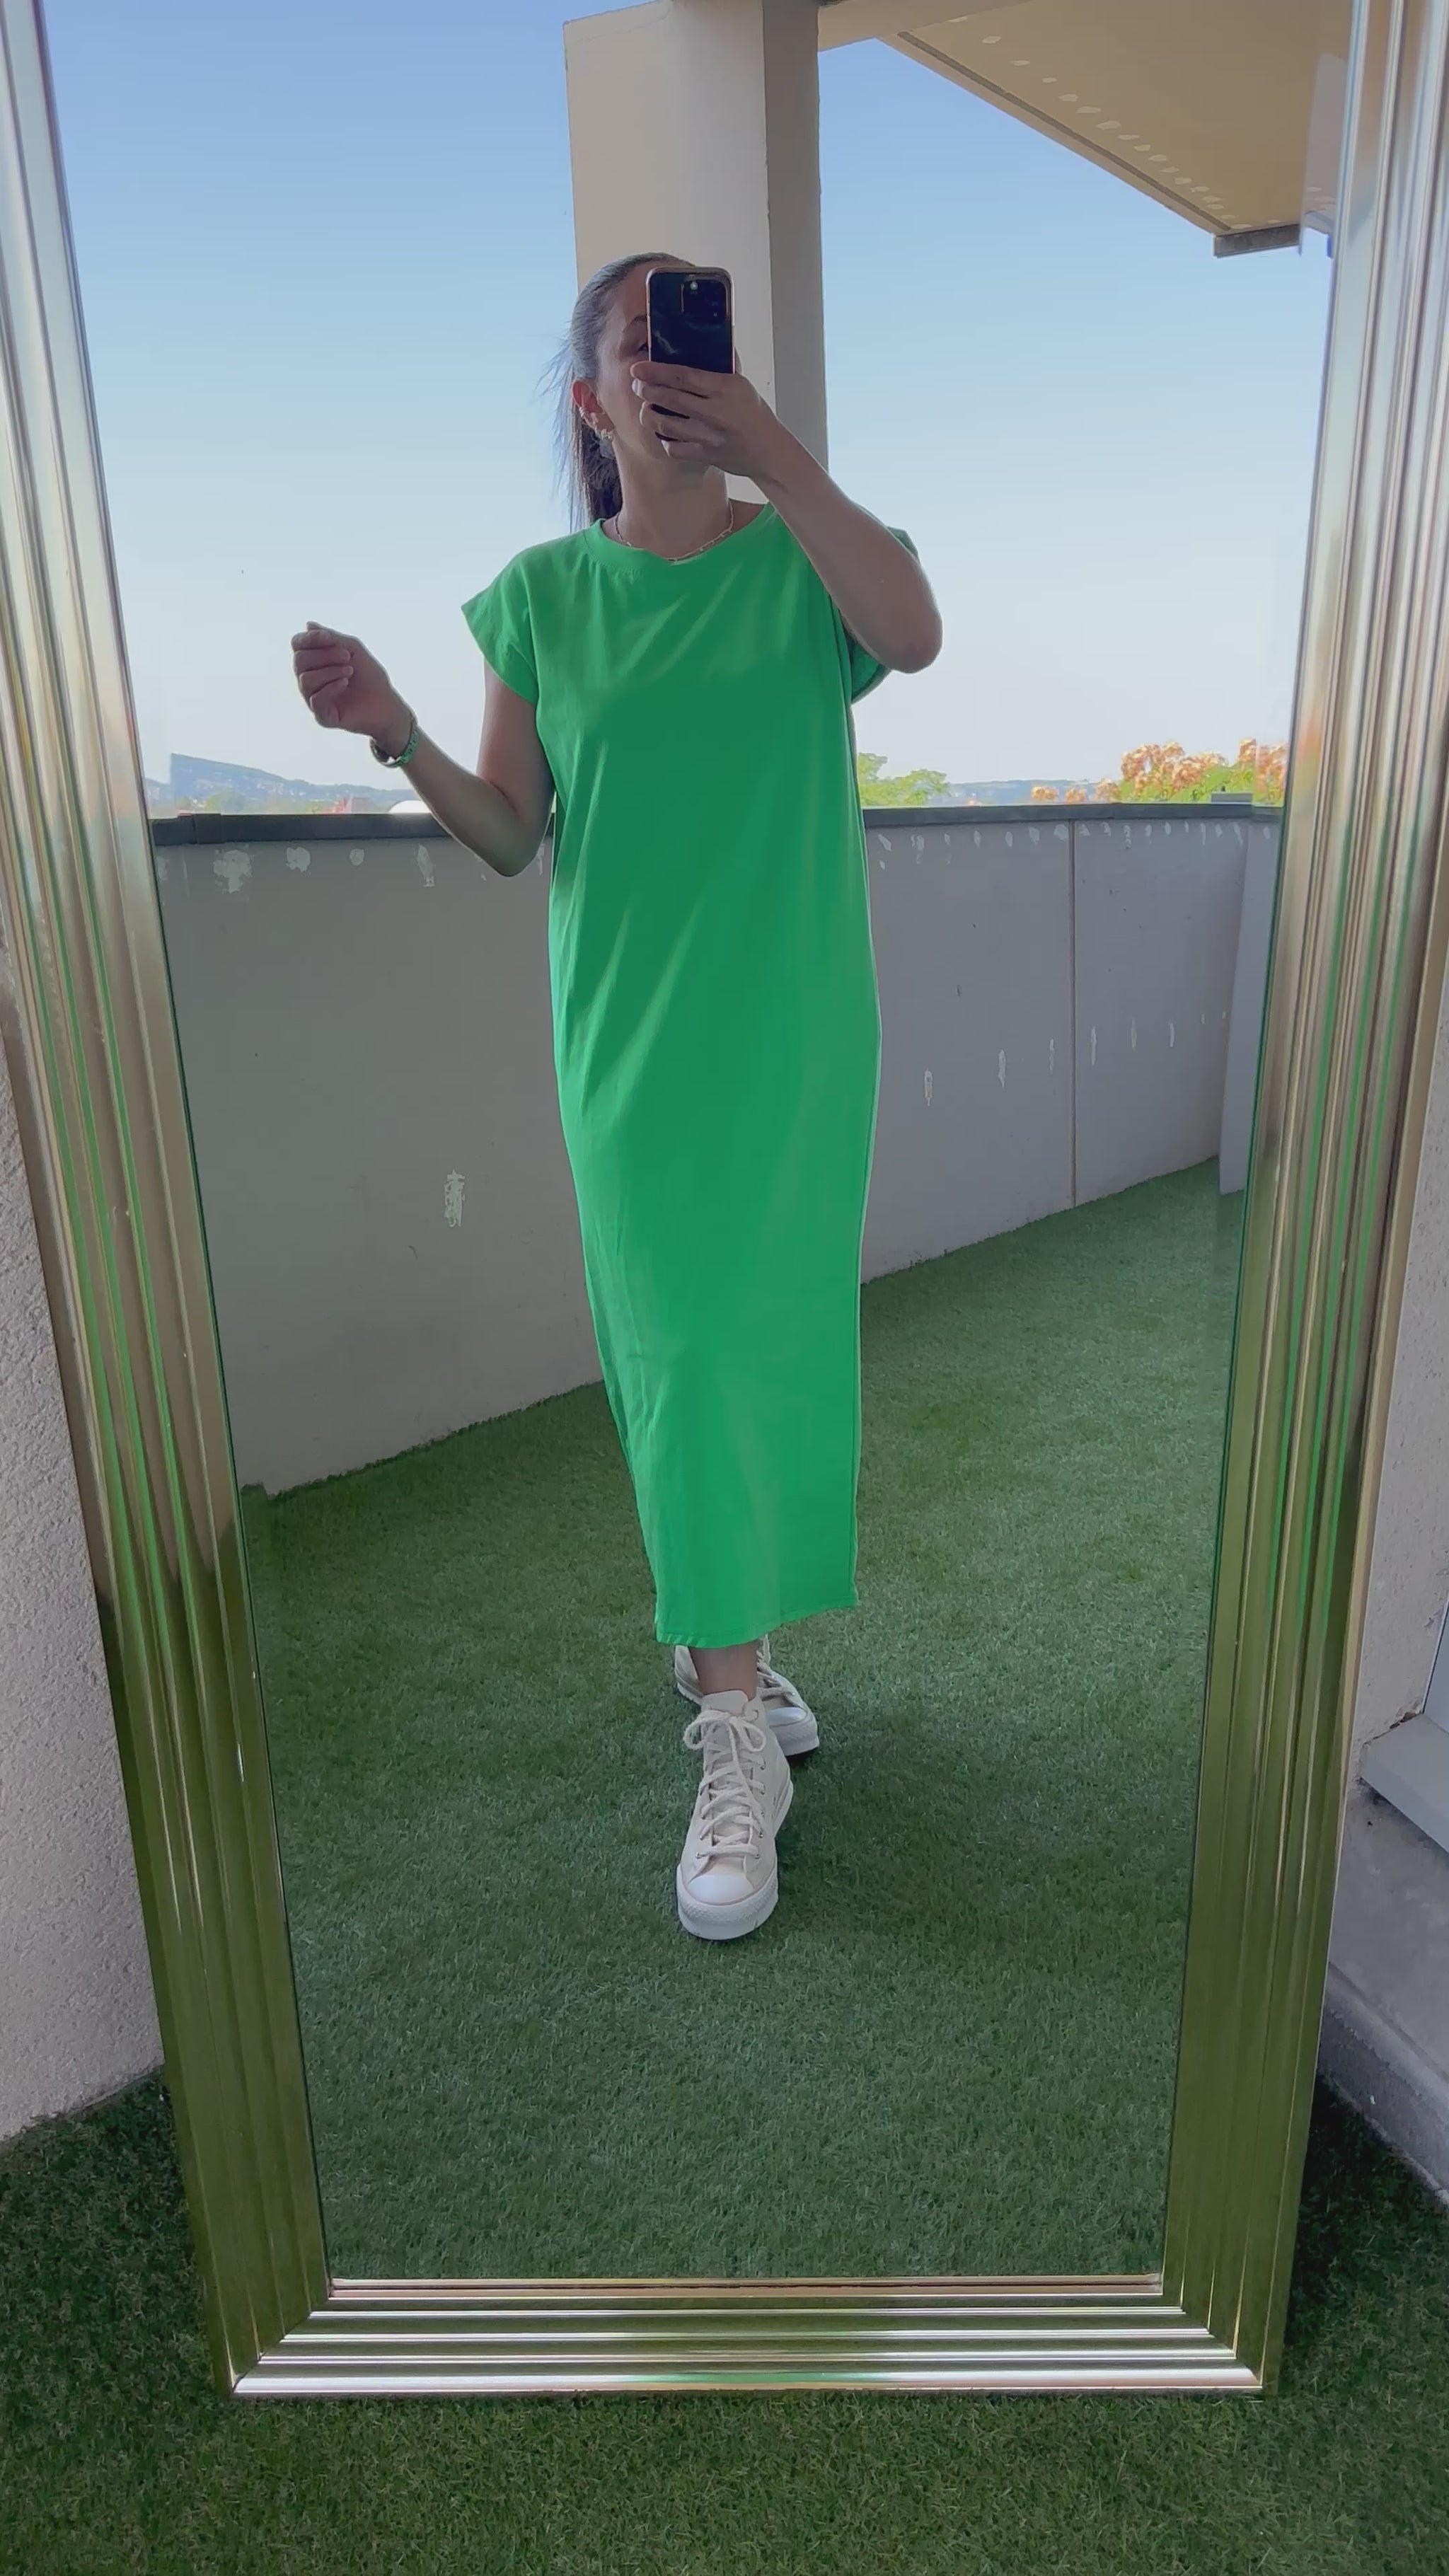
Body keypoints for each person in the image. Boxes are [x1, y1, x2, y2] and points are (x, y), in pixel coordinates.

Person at [291, 251, 940, 1944]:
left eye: (692, 338)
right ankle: (733, 1722)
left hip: (792, 1039)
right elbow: (514, 833)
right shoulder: (539, 597)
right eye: (639, 346)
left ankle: (733, 1665)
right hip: (632, 1055)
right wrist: (397, 733)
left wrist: (773, 450)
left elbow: (914, 634)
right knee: (680, 1356)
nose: (671, 366)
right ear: (590, 401)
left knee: (761, 1346)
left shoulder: (806, 562)